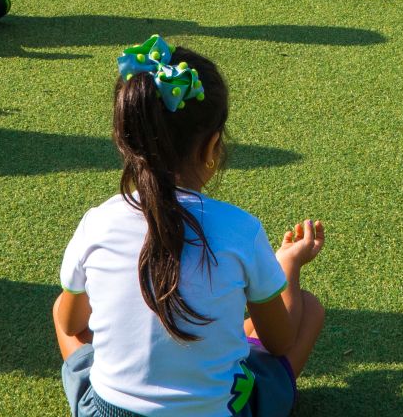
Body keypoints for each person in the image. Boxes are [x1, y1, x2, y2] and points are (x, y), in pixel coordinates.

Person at [54, 37, 326, 417]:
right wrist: (289, 267)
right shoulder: (239, 229)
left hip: (105, 411)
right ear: (212, 145)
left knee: (63, 312)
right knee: (308, 310)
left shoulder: (97, 222)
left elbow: (70, 323)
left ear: (126, 139)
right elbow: (279, 342)